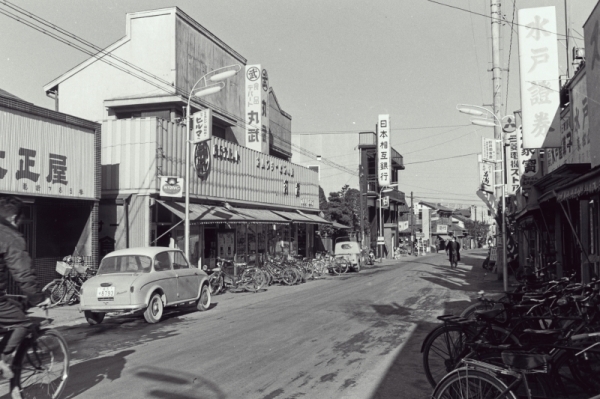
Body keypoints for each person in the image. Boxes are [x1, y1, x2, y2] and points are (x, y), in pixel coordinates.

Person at [0, 195, 50, 387]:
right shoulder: (10, 236)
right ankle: (3, 360)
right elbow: (23, 273)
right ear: (14, 218)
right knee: (22, 321)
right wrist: (38, 298)